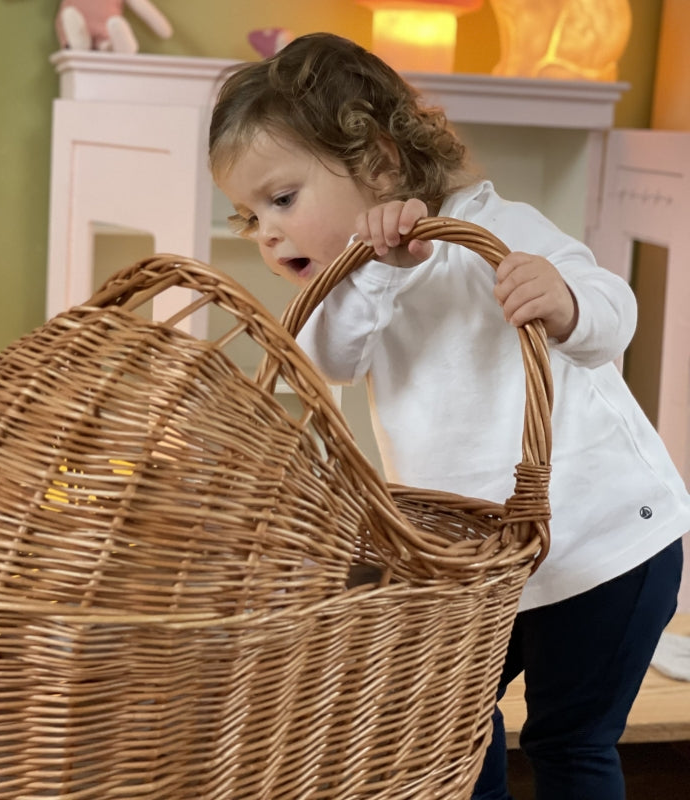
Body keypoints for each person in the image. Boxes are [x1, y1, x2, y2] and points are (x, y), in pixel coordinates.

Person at [208, 32, 690, 800]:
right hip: (475, 566)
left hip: (607, 542)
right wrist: (377, 276)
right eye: (247, 217)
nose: (265, 231)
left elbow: (615, 311)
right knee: (448, 720)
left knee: (570, 739)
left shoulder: (499, 227)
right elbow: (324, 354)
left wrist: (565, 304)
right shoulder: (356, 286)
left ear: (379, 162)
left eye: (283, 198)